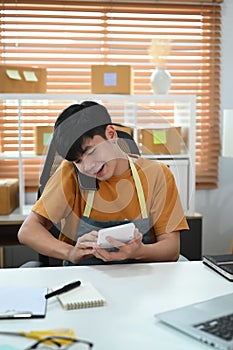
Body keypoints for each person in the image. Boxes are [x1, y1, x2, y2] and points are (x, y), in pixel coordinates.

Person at [18, 101, 189, 265]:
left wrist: (139, 252)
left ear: (111, 134)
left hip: (141, 277)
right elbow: (28, 231)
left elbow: (172, 249)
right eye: (79, 161)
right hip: (84, 280)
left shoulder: (156, 175)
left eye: (91, 152)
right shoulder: (70, 173)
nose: (88, 167)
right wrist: (70, 253)